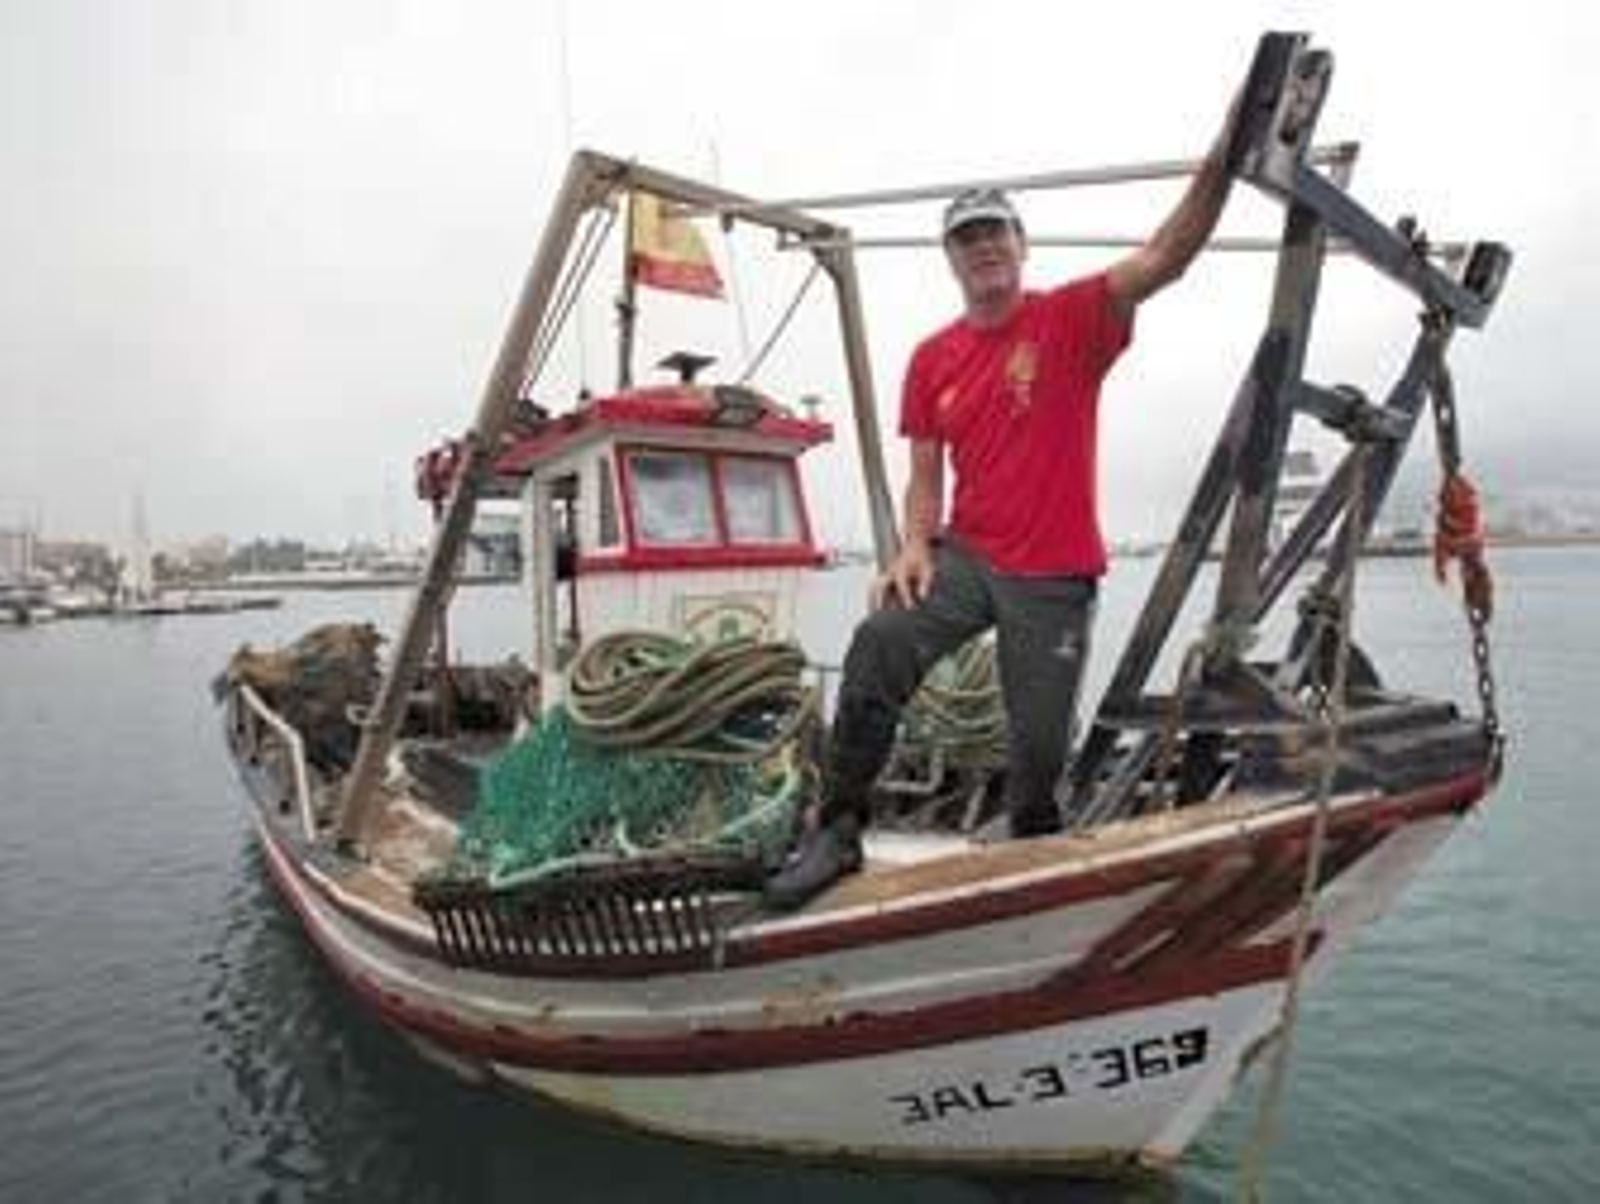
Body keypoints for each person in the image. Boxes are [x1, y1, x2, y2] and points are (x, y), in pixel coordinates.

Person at [764, 106, 1238, 912]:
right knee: (880, 642)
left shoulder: (1072, 317)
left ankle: (1034, 846)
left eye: (997, 232)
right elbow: (923, 471)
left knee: (1038, 752)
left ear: (1021, 246)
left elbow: (1168, 254)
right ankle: (838, 829)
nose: (984, 246)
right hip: (970, 558)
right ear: (950, 257)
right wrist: (915, 545)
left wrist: (1230, 147)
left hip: (1053, 573)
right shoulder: (931, 357)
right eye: (967, 236)